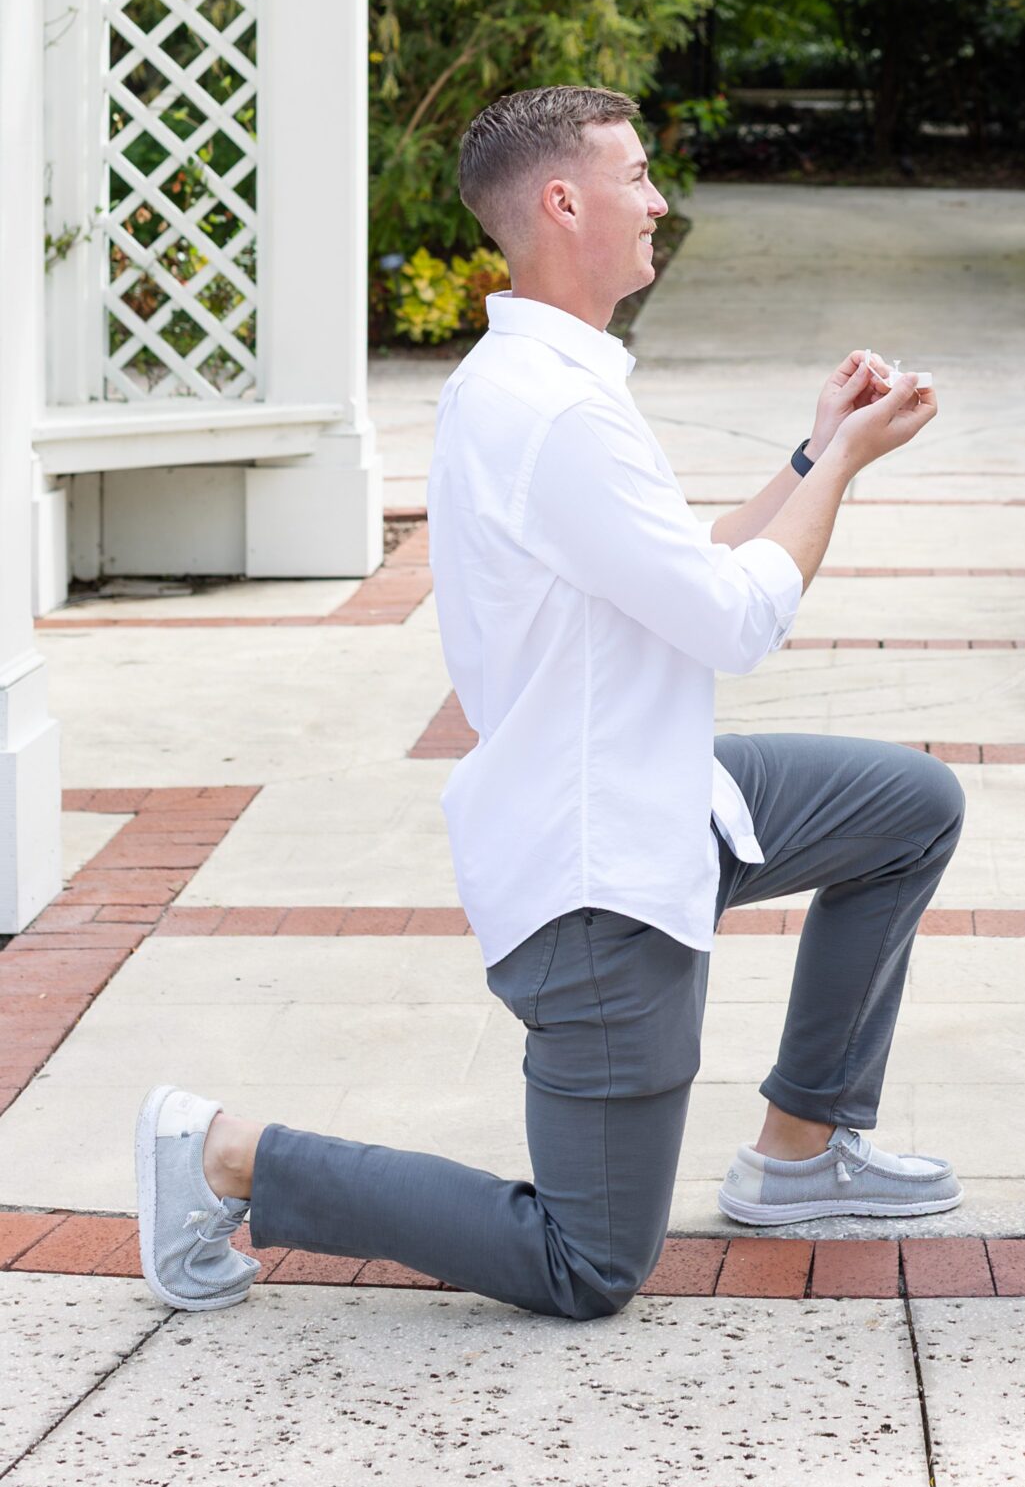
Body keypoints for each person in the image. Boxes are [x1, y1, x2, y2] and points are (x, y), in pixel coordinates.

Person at [134, 84, 965, 1320]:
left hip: (660, 793)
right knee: (588, 1263)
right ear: (564, 203)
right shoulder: (558, 410)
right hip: (597, 875)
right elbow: (736, 620)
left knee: (910, 806)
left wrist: (808, 452)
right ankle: (225, 1153)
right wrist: (844, 465)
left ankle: (801, 1148)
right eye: (637, 177)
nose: (659, 201)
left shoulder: (532, 380)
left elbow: (683, 569)